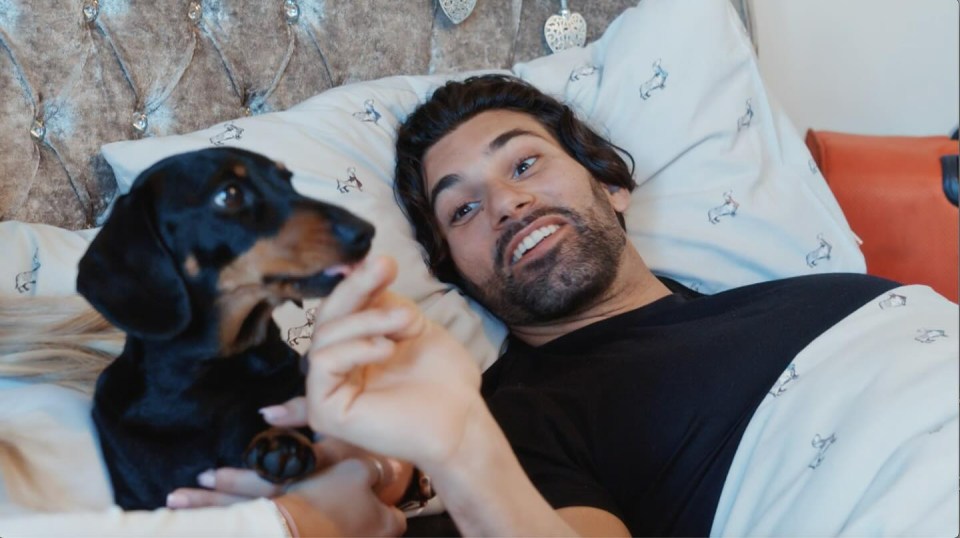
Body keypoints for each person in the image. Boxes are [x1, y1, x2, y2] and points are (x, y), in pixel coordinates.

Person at [219, 74, 956, 536]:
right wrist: (463, 449)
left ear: (610, 185)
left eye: (526, 162)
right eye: (464, 210)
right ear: (456, 272)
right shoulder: (516, 418)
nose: (506, 202)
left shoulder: (800, 290)